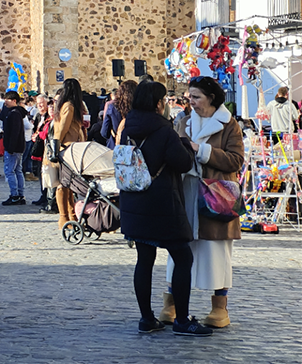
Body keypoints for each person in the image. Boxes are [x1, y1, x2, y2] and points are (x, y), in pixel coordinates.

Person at [119, 81, 212, 337]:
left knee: (144, 259)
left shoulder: (128, 126)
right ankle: (182, 319)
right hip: (162, 204)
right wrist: (183, 144)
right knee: (183, 257)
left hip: (134, 201)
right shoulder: (164, 131)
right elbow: (182, 163)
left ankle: (146, 318)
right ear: (159, 104)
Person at [164, 75, 244, 329]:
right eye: (190, 97)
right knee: (179, 250)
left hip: (216, 197)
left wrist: (202, 151)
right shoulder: (183, 122)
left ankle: (219, 308)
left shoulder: (229, 126)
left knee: (216, 253)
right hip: (186, 194)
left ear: (211, 98)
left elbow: (235, 160)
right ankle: (171, 303)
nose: (192, 102)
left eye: (196, 97)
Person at [52, 78, 86, 228]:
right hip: (66, 147)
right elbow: (62, 128)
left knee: (69, 184)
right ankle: (64, 217)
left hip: (69, 147)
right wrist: (56, 145)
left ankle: (71, 216)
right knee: (63, 183)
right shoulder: (69, 106)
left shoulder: (67, 106)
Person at [1, 90, 28, 205]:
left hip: (14, 147)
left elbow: (15, 132)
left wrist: (10, 147)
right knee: (18, 170)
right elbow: (2, 117)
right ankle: (20, 194)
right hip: (18, 146)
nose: (5, 102)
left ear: (14, 101)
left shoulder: (14, 114)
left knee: (10, 171)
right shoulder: (14, 112)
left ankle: (15, 195)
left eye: (7, 100)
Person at [101, 79, 136, 150]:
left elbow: (104, 133)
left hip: (115, 148)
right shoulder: (139, 107)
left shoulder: (112, 107)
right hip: (136, 149)